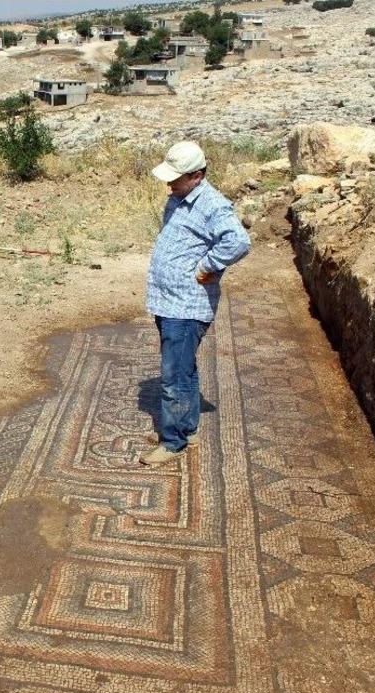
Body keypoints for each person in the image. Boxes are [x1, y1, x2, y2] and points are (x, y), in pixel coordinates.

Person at [140, 141, 250, 466]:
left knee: (173, 374)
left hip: (186, 306)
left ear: (197, 175)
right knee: (184, 369)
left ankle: (172, 442)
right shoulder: (179, 198)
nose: (169, 184)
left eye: (176, 178)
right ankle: (186, 428)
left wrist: (207, 266)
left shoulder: (212, 205)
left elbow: (239, 241)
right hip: (168, 300)